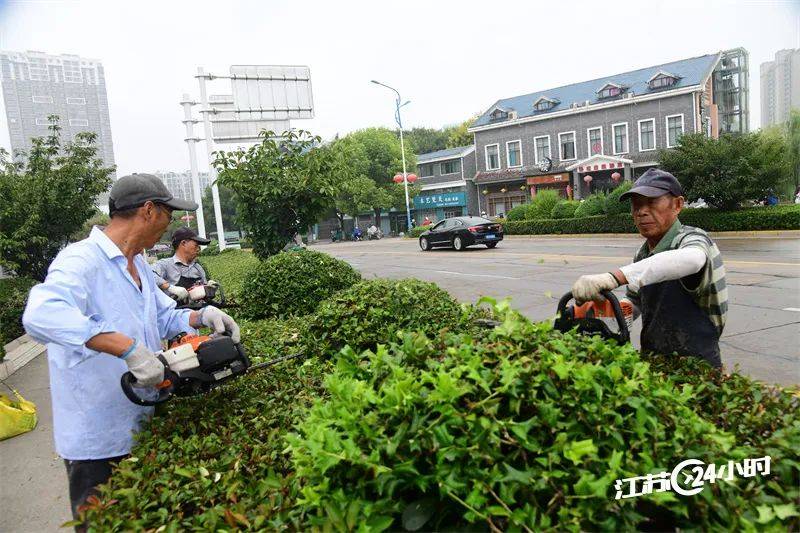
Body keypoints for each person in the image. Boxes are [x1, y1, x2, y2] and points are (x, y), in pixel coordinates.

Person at [22, 173, 241, 529]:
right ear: (149, 210)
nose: (170, 226)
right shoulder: (81, 261)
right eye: (169, 215)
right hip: (98, 439)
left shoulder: (138, 261)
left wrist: (201, 316)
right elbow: (41, 314)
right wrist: (128, 349)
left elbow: (163, 314)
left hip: (143, 422)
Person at [570, 169, 727, 368]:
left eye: (651, 202)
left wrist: (615, 277)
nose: (642, 211)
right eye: (636, 204)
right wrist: (603, 313)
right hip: (654, 362)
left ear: (677, 205)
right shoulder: (643, 254)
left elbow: (692, 260)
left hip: (697, 365)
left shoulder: (693, 239)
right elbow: (636, 302)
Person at [152, 227, 211, 302]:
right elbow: (149, 275)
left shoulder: (198, 268)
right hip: (174, 311)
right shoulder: (165, 265)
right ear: (183, 243)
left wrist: (209, 289)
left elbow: (205, 293)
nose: (198, 249)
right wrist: (170, 287)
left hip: (197, 310)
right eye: (196, 245)